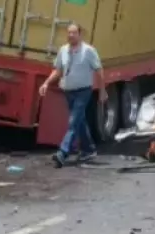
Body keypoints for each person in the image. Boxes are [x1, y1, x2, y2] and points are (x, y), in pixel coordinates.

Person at [39, 24, 106, 168]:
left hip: (83, 91)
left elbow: (99, 70)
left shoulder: (88, 51)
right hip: (68, 91)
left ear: (80, 35)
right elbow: (57, 71)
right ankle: (89, 149)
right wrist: (46, 83)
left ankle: (62, 153)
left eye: (74, 33)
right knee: (79, 121)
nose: (71, 35)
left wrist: (102, 90)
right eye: (69, 33)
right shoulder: (63, 50)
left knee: (73, 121)